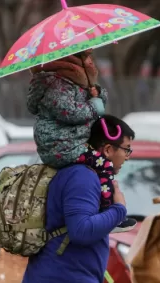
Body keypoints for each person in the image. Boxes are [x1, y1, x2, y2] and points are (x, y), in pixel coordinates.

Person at [21, 115, 134, 283]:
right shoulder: (82, 177)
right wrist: (119, 209)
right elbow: (80, 230)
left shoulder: (83, 172)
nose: (127, 157)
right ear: (107, 149)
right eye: (126, 150)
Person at [27, 49, 136, 232]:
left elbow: (88, 104)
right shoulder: (55, 85)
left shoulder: (68, 85)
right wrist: (94, 106)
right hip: (62, 146)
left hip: (69, 144)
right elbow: (70, 112)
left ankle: (106, 210)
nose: (91, 63)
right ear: (71, 65)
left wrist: (97, 93)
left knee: (100, 165)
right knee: (103, 165)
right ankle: (109, 212)